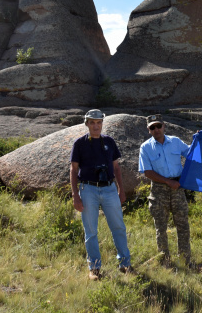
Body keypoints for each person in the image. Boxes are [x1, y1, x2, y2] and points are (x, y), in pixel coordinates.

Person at [70, 109, 132, 280]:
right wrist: (75, 195)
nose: (96, 126)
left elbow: (117, 167)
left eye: (98, 122)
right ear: (87, 124)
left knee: (118, 226)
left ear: (102, 124)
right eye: (92, 122)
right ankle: (94, 268)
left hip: (109, 188)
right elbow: (74, 169)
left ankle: (125, 264)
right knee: (90, 230)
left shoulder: (109, 142)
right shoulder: (79, 144)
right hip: (88, 189)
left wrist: (121, 189)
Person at [138, 114, 192, 266]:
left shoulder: (175, 141)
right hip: (159, 190)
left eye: (158, 126)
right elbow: (147, 172)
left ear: (164, 126)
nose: (156, 130)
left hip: (178, 188)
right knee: (160, 227)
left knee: (182, 225)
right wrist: (168, 182)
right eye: (152, 127)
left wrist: (199, 141)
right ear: (149, 130)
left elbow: (191, 155)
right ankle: (165, 261)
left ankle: (185, 260)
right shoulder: (146, 147)